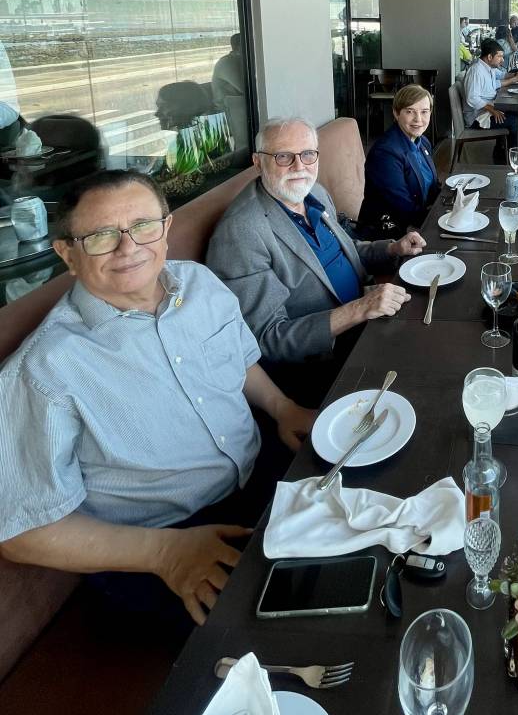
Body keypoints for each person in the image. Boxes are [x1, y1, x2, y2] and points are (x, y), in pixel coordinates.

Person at [0, 170, 315, 628]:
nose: (128, 248)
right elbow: (21, 530)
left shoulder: (199, 284)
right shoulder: (44, 369)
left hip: (261, 470)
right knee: (299, 625)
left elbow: (238, 358)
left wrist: (282, 408)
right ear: (67, 253)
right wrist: (165, 553)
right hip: (160, 545)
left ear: (166, 228)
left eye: (143, 225)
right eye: (101, 236)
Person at [206, 117, 424, 400]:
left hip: (368, 319)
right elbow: (269, 339)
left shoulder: (314, 193)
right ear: (258, 162)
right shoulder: (241, 233)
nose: (299, 167)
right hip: (324, 364)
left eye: (308, 154)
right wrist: (360, 309)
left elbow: (346, 252)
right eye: (283, 156)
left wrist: (393, 249)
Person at [361, 84, 439, 233]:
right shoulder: (385, 153)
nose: (418, 119)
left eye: (424, 112)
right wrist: (442, 217)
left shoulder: (423, 142)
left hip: (419, 220)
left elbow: (433, 187)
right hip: (390, 231)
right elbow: (404, 208)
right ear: (396, 113)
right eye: (410, 111)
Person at [461, 38, 518, 137]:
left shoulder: (489, 67)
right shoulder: (476, 71)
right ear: (490, 57)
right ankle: (511, 147)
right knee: (516, 122)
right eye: (499, 56)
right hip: (478, 117)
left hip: (487, 110)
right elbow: (472, 98)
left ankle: (502, 146)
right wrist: (492, 110)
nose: (502, 60)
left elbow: (502, 75)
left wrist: (516, 74)